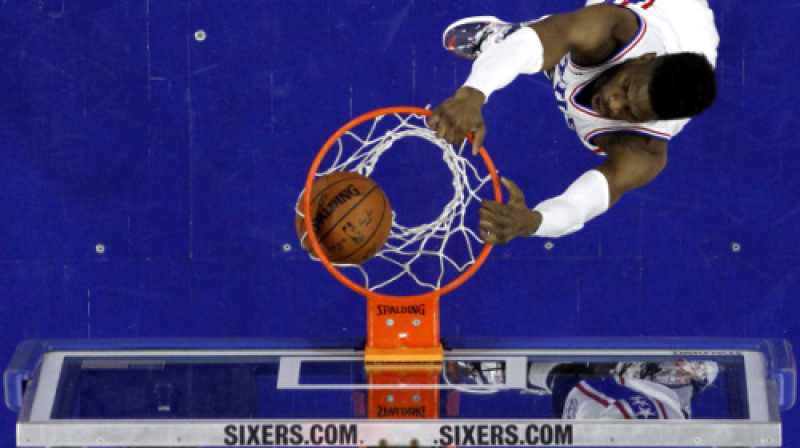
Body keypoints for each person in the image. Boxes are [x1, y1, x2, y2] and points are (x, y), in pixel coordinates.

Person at [428, 0, 719, 244]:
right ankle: (508, 39)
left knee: (559, 57)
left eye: (631, 113)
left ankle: (555, 65)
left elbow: (579, 205)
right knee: (553, 37)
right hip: (669, 7)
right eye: (626, 89)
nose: (613, 104)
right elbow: (535, 42)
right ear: (644, 58)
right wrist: (473, 93)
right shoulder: (614, 29)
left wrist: (534, 222)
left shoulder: (643, 150)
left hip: (692, 39)